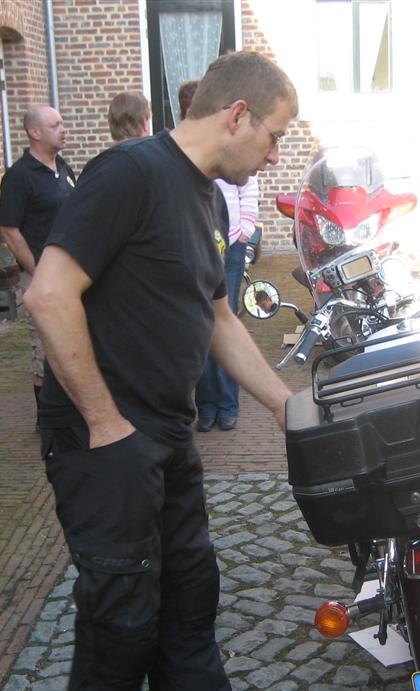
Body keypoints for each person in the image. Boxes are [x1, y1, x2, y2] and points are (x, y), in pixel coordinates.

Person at [23, 50, 297, 691]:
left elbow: (219, 319)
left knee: (189, 587)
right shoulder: (130, 172)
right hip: (105, 439)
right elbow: (48, 295)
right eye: (274, 136)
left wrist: (283, 404)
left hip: (169, 432)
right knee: (121, 615)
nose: (274, 155)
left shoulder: (207, 197)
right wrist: (105, 423)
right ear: (237, 115)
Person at [179, 79, 260, 432]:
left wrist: (244, 230)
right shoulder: (180, 152)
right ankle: (206, 404)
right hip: (197, 245)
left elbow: (249, 190)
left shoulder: (233, 147)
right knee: (200, 324)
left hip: (230, 244)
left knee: (225, 320)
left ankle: (227, 403)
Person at [0, 105, 76, 403]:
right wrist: (36, 269)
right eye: (55, 125)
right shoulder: (19, 176)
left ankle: (70, 409)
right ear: (35, 132)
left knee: (71, 343)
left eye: (62, 123)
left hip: (69, 274)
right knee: (44, 349)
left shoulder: (63, 168)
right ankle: (46, 420)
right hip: (41, 276)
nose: (63, 129)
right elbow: (9, 230)